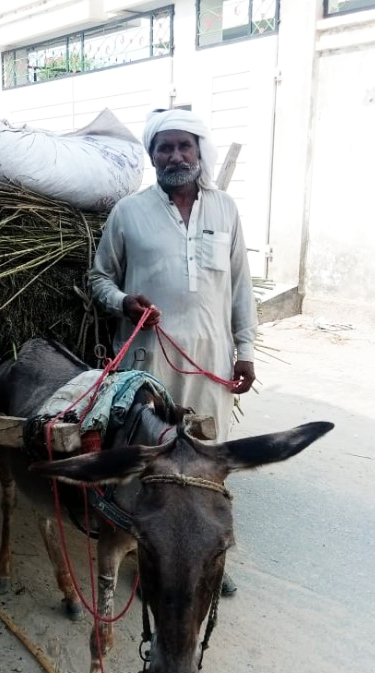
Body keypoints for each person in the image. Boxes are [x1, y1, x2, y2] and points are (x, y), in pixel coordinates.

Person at [88, 108, 258, 596]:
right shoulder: (129, 212)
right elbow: (98, 277)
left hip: (211, 362)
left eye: (185, 145)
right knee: (152, 464)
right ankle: (146, 564)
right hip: (148, 361)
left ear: (199, 152)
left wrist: (244, 349)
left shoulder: (225, 209)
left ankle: (210, 563)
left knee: (208, 461)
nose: (176, 155)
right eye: (165, 147)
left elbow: (241, 288)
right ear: (153, 156)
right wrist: (123, 301)